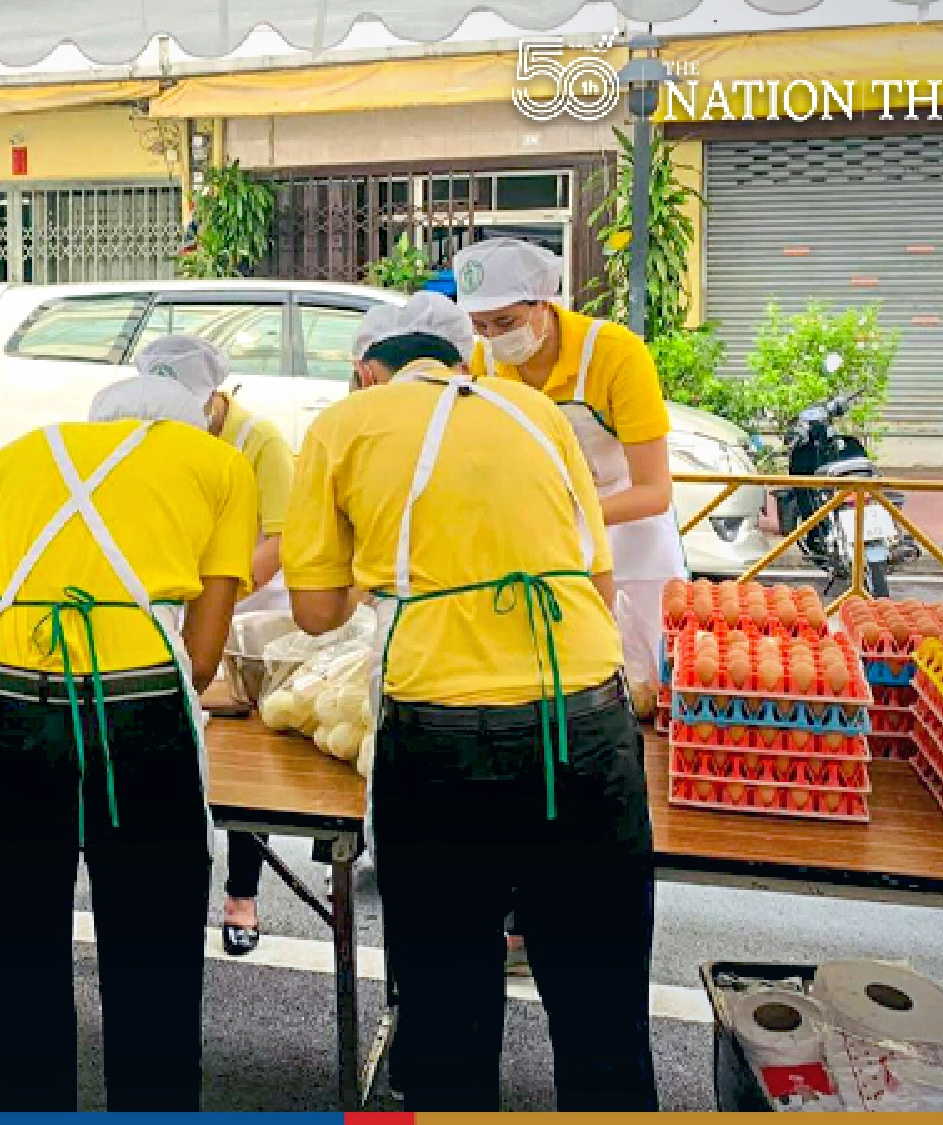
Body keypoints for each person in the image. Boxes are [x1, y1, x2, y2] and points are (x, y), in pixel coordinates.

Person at [282, 292, 656, 1111]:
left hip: (441, 737)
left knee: (449, 1008)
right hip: (584, 721)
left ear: (368, 370)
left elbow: (313, 612)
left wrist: (385, 568)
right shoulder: (537, 414)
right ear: (463, 361)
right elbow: (597, 583)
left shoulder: (343, 425)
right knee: (603, 1007)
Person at [0, 394, 258, 1110]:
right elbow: (202, 657)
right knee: (152, 951)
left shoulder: (16, 455)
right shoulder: (219, 463)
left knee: (17, 945)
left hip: (5, 697)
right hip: (136, 704)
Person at [456, 237, 686, 693]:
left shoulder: (614, 352)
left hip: (630, 534)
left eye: (506, 322)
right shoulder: (486, 362)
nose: (495, 338)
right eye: (480, 326)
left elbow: (655, 491)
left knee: (644, 677)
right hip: (543, 541)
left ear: (544, 302)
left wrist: (566, 515)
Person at [132, 334, 297, 957]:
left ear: (216, 395)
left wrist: (221, 595)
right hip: (180, 600)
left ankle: (242, 894)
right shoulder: (149, 432)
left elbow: (280, 537)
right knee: (182, 746)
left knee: (245, 763)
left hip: (251, 604)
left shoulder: (259, 440)